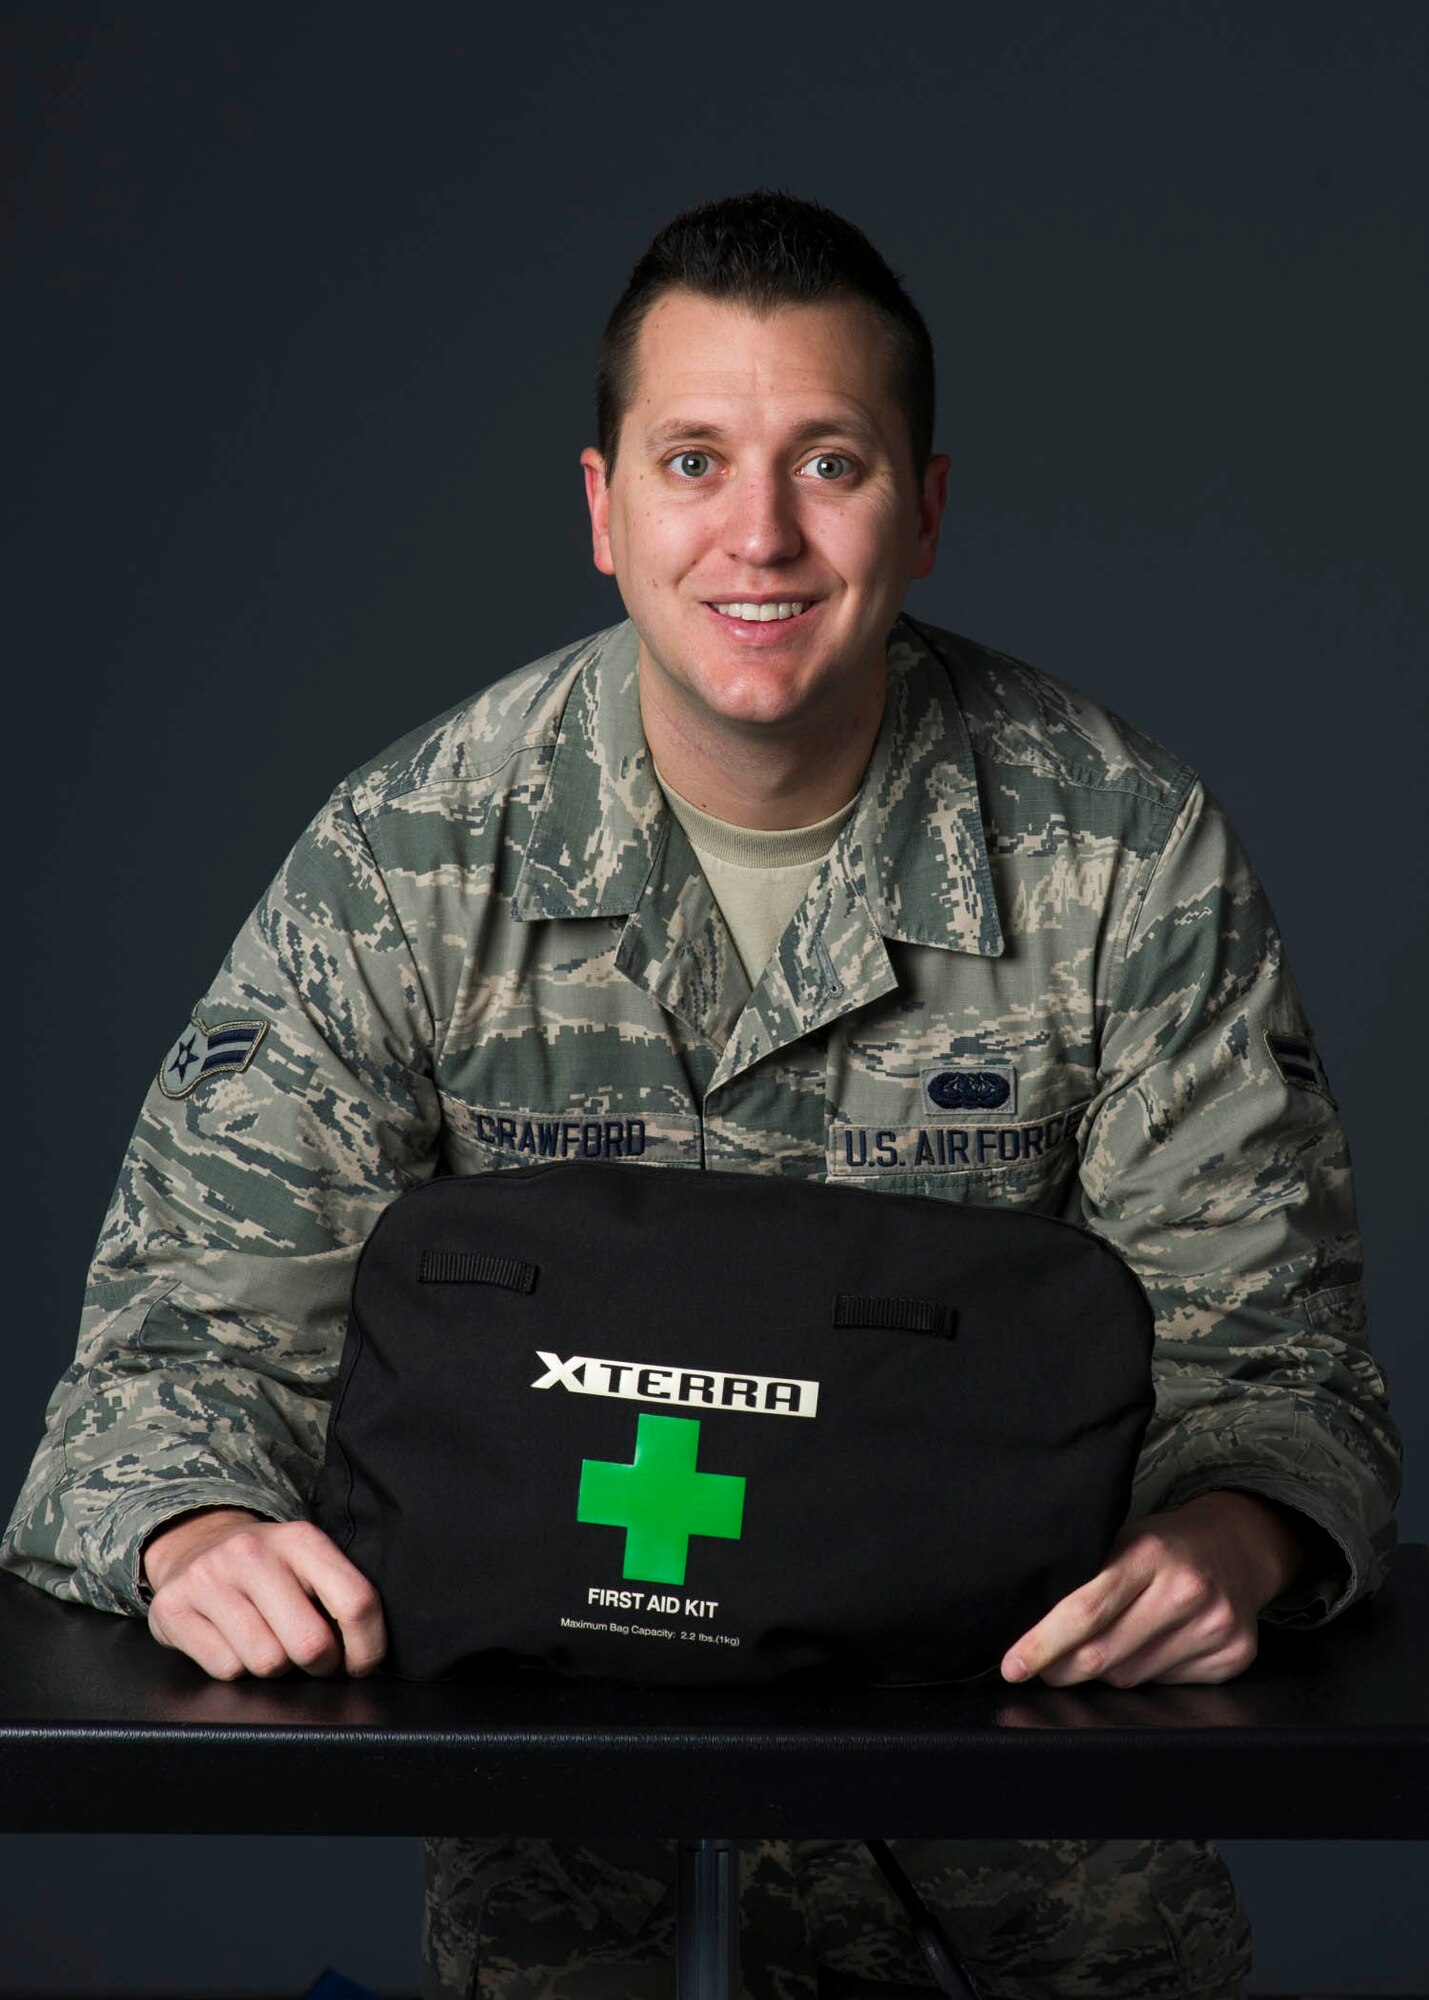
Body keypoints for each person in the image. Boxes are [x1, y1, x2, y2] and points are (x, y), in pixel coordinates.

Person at [2, 188, 1401, 2000]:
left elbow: (1276, 1363)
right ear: (600, 509)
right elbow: (170, 1356)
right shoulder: (410, 858)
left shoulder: (1121, 850)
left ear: (925, 506)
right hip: (576, 1855)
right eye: (690, 461)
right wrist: (190, 1525)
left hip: (1046, 1844)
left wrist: (1238, 1530)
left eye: (829, 461)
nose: (758, 535)